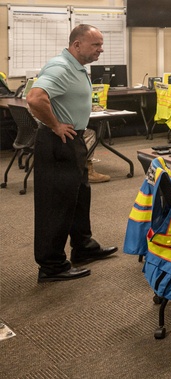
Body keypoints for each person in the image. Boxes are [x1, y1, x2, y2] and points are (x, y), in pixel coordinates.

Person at [28, 24, 118, 282]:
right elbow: (35, 98)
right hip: (58, 142)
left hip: (73, 141)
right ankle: (51, 265)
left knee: (79, 197)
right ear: (77, 45)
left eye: (101, 44)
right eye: (96, 45)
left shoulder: (76, 67)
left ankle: (83, 247)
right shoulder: (61, 67)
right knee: (56, 205)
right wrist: (56, 125)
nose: (101, 49)